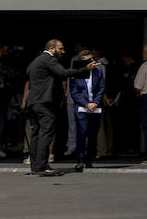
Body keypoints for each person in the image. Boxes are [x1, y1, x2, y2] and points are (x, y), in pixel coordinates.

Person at [25, 40, 96, 176]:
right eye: (61, 49)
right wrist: (85, 69)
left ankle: (35, 166)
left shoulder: (36, 61)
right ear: (51, 48)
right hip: (45, 103)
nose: (63, 52)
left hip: (34, 102)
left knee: (36, 135)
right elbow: (63, 72)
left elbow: (29, 73)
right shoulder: (48, 59)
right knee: (45, 134)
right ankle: (42, 166)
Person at [68, 51, 106, 172]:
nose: (91, 62)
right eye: (87, 60)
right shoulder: (77, 73)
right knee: (82, 134)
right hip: (82, 107)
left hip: (95, 107)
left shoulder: (97, 72)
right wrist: (86, 104)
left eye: (92, 60)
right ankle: (80, 160)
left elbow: (101, 88)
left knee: (93, 135)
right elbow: (74, 92)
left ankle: (89, 159)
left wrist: (94, 103)